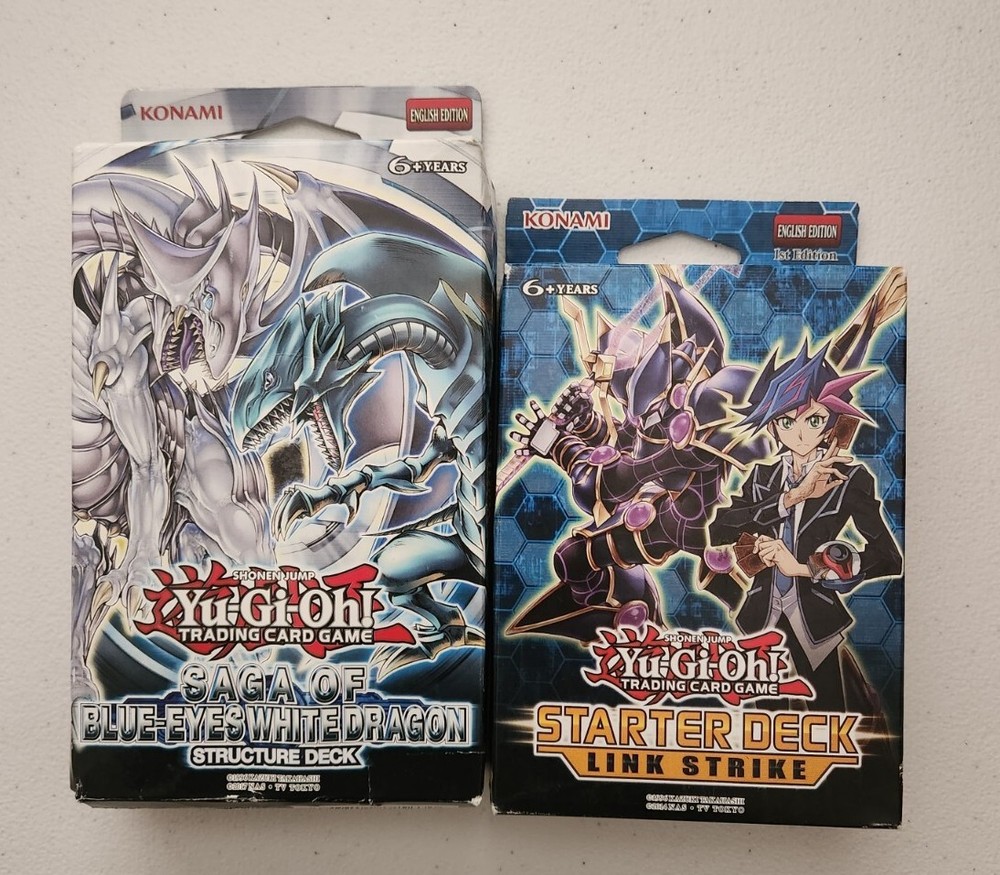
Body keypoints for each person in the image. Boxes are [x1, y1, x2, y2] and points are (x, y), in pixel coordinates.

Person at [708, 340, 902, 711]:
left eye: (813, 420)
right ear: (772, 424)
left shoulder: (848, 479)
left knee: (828, 719)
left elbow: (887, 557)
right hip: (760, 617)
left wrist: (805, 568)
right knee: (762, 723)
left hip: (815, 619)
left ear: (831, 422)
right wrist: (791, 498)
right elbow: (719, 528)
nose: (798, 433)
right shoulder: (763, 477)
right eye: (786, 421)